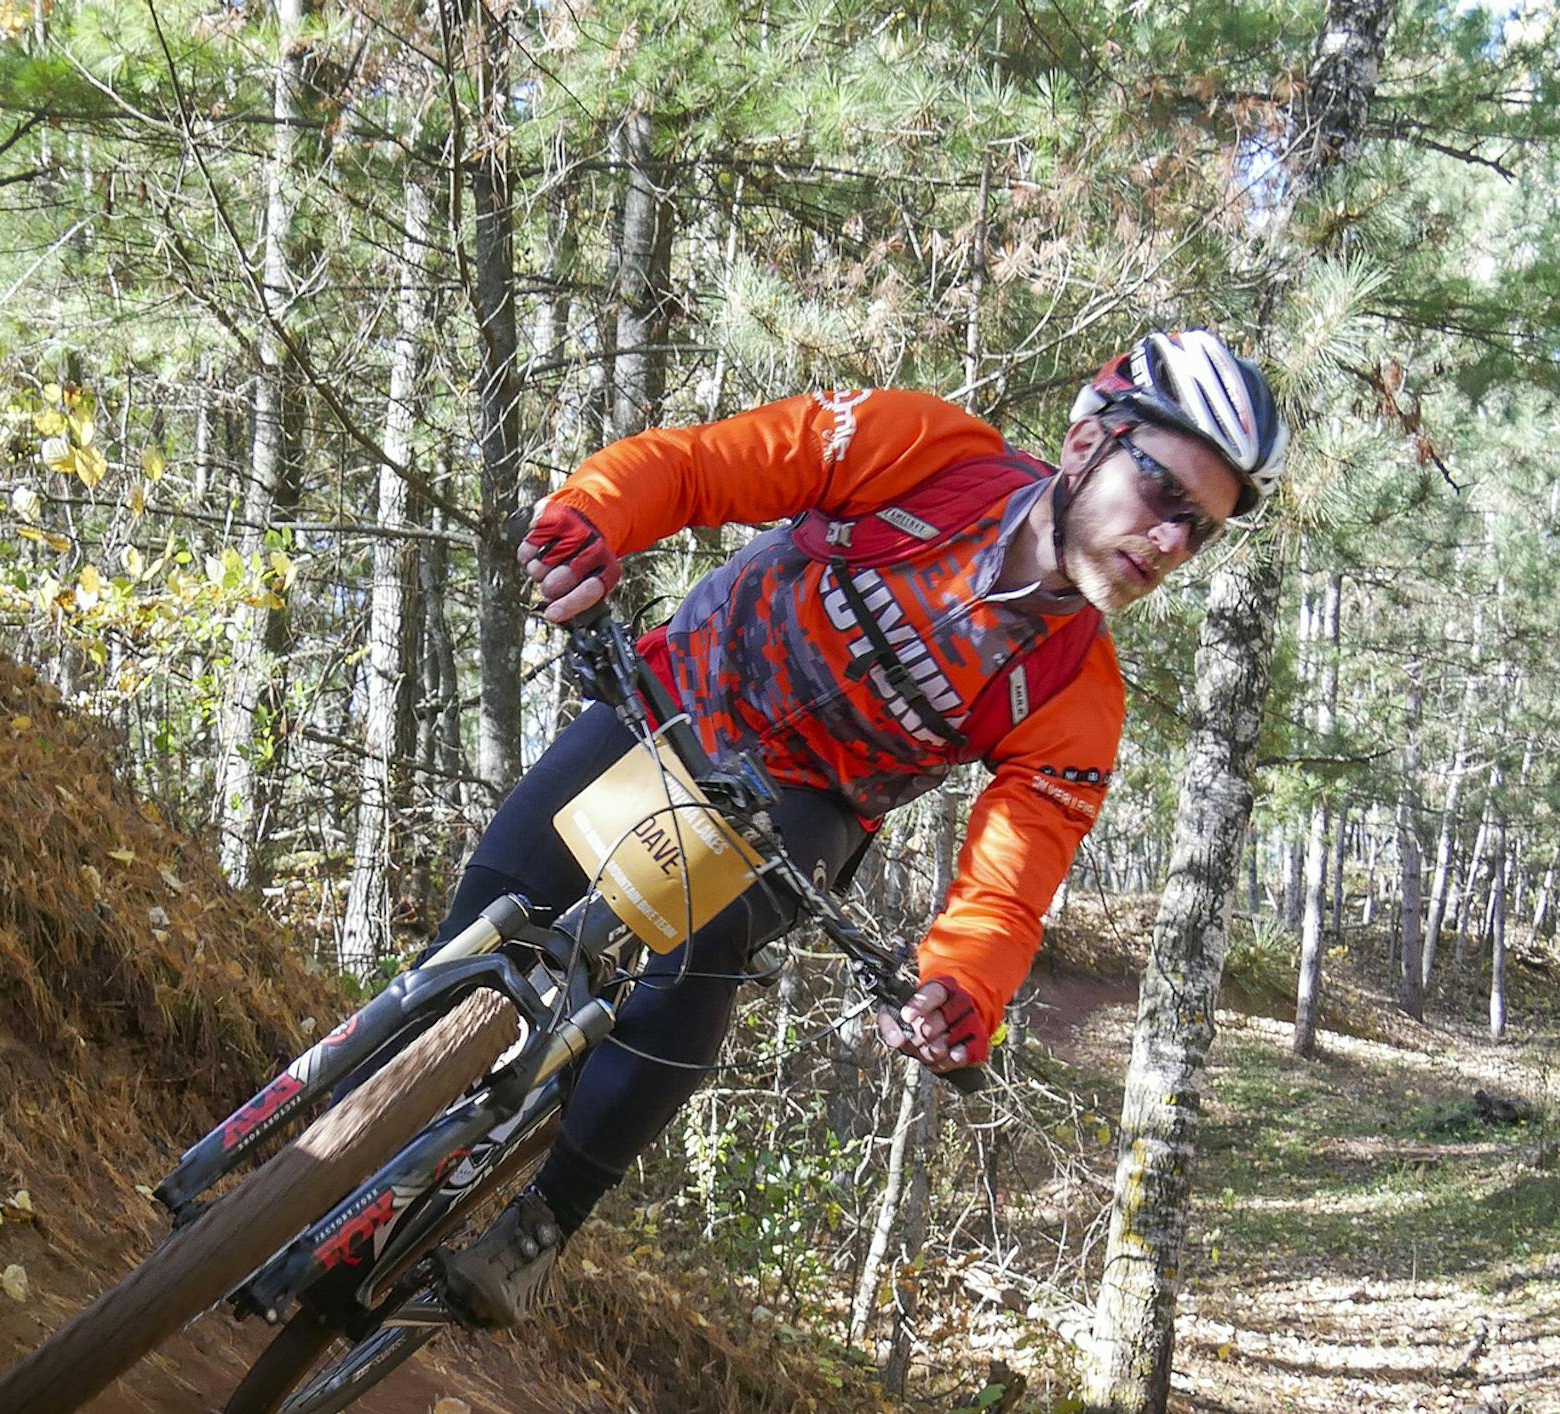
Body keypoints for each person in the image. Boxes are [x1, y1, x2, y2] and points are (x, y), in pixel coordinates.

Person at [438, 330, 1286, 1326]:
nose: (1174, 544)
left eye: (1204, 531)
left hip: (811, 808)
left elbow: (1008, 886)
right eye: (1167, 498)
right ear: (1087, 440)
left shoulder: (1075, 694)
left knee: (704, 930)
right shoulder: (927, 455)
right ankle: (385, 1114)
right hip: (676, 692)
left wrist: (964, 989)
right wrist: (595, 516)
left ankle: (546, 1218)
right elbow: (706, 466)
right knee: (489, 915)